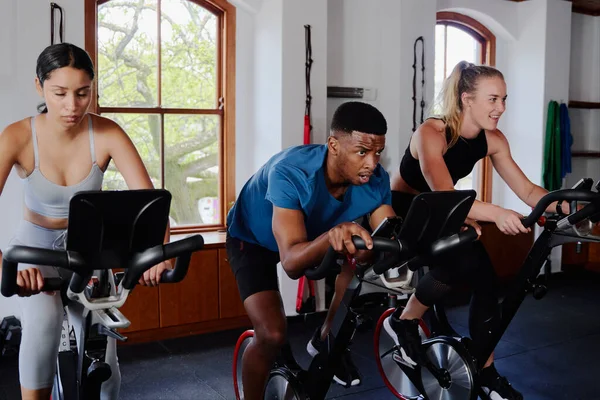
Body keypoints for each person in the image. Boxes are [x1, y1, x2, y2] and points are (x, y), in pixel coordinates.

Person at [385, 61, 572, 400]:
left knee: (487, 282)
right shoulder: (431, 133)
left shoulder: (493, 140)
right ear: (466, 98)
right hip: (405, 211)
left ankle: (486, 372)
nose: (500, 108)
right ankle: (404, 320)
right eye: (492, 99)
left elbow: (529, 192)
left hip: (445, 211)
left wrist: (567, 205)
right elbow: (445, 194)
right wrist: (495, 213)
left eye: (504, 99)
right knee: (458, 262)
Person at [0, 43, 171, 400]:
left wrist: (159, 251)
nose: (72, 106)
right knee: (45, 321)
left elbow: (151, 204)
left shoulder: (107, 133)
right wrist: (6, 266)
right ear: (39, 87)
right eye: (60, 93)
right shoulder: (17, 136)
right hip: (36, 255)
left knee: (102, 345)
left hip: (90, 254)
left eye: (83, 93)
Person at [226, 101, 397, 399]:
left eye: (377, 152)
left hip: (312, 234)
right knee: (273, 333)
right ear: (333, 145)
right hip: (252, 238)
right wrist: (333, 235)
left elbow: (388, 234)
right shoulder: (290, 172)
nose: (372, 162)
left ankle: (325, 336)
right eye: (362, 152)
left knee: (364, 250)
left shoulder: (375, 179)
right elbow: (291, 263)